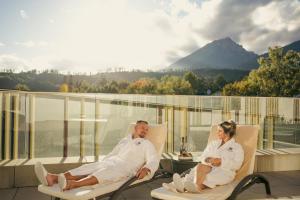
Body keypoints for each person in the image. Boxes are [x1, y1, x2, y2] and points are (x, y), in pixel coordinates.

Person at [35, 120, 159, 191]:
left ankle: (71, 184)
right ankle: (53, 177)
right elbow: (113, 153)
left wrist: (147, 168)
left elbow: (153, 158)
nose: (145, 130)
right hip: (112, 161)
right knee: (87, 168)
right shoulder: (124, 140)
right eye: (143, 127)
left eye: (147, 129)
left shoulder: (147, 144)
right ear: (135, 128)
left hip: (125, 168)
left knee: (105, 173)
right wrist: (101, 163)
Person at [164, 120, 244, 193]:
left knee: (207, 178)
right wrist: (208, 160)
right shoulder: (214, 143)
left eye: (220, 131)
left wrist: (221, 161)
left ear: (227, 133)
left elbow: (237, 164)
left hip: (224, 171)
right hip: (208, 167)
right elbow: (203, 156)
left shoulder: (237, 147)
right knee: (200, 167)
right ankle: (188, 186)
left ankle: (184, 187)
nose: (217, 133)